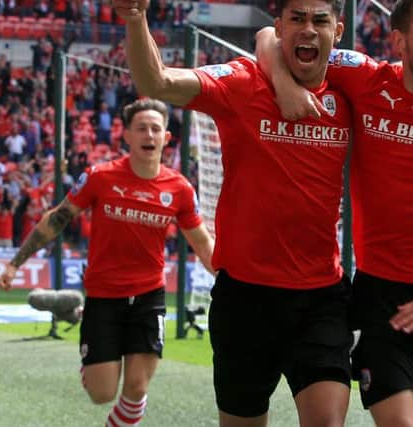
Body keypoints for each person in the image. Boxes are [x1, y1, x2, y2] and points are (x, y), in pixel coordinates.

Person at [256, 0, 413, 425]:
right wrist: (284, 83)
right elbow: (270, 38)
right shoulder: (365, 78)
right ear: (399, 40)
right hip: (381, 299)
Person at [113, 0, 355, 426]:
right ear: (279, 27)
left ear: (338, 31)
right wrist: (136, 19)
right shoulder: (241, 82)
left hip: (321, 298)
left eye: (320, 20)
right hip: (245, 299)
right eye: (296, 19)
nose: (308, 29)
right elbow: (158, 81)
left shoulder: (355, 89)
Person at [0, 98, 215, 427]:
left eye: (156, 128)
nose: (149, 134)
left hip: (148, 297)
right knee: (102, 393)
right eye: (141, 128)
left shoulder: (181, 189)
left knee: (136, 387)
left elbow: (200, 242)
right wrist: (15, 263)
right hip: (104, 296)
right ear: (126, 135)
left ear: (166, 138)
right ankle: (77, 312)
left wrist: (231, 279)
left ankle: (78, 315)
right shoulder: (100, 177)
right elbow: (57, 219)